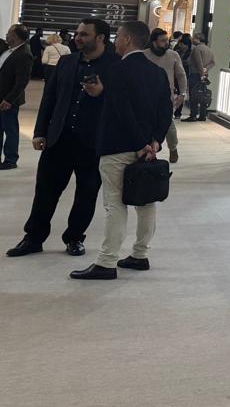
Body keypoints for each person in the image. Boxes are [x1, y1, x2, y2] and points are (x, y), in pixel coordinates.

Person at [71, 21, 173, 280]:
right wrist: (154, 142)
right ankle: (140, 255)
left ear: (127, 40)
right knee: (146, 201)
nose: (115, 42)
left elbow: (122, 110)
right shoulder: (157, 72)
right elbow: (166, 111)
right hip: (148, 150)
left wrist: (139, 143)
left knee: (115, 204)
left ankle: (107, 262)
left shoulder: (117, 70)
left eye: (118, 37)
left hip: (117, 146)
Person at [6, 18, 114, 257]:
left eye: (84, 34)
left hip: (92, 143)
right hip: (59, 139)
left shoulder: (115, 66)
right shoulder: (66, 62)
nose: (78, 37)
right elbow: (50, 98)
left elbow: (122, 104)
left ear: (100, 38)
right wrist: (40, 132)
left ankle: (74, 237)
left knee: (86, 194)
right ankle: (33, 238)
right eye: (78, 33)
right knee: (45, 191)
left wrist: (102, 93)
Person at [142, 28, 186, 165]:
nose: (166, 43)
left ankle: (173, 148)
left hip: (166, 97)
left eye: (167, 40)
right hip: (146, 96)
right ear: (153, 42)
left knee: (168, 124)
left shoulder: (173, 55)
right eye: (162, 41)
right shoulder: (144, 55)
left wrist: (183, 93)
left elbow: (181, 75)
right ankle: (148, 151)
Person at [0, 24, 34, 168]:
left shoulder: (24, 54)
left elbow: (22, 81)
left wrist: (9, 100)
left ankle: (11, 160)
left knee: (10, 130)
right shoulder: (9, 50)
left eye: (9, 33)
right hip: (2, 97)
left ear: (15, 36)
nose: (6, 35)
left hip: (8, 100)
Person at [181, 32, 215, 121]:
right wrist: (206, 70)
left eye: (194, 38)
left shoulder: (197, 49)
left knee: (194, 95)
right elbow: (213, 62)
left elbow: (198, 62)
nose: (192, 39)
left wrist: (201, 73)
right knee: (203, 95)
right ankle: (203, 115)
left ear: (198, 39)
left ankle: (193, 115)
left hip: (196, 74)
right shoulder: (209, 49)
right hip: (204, 75)